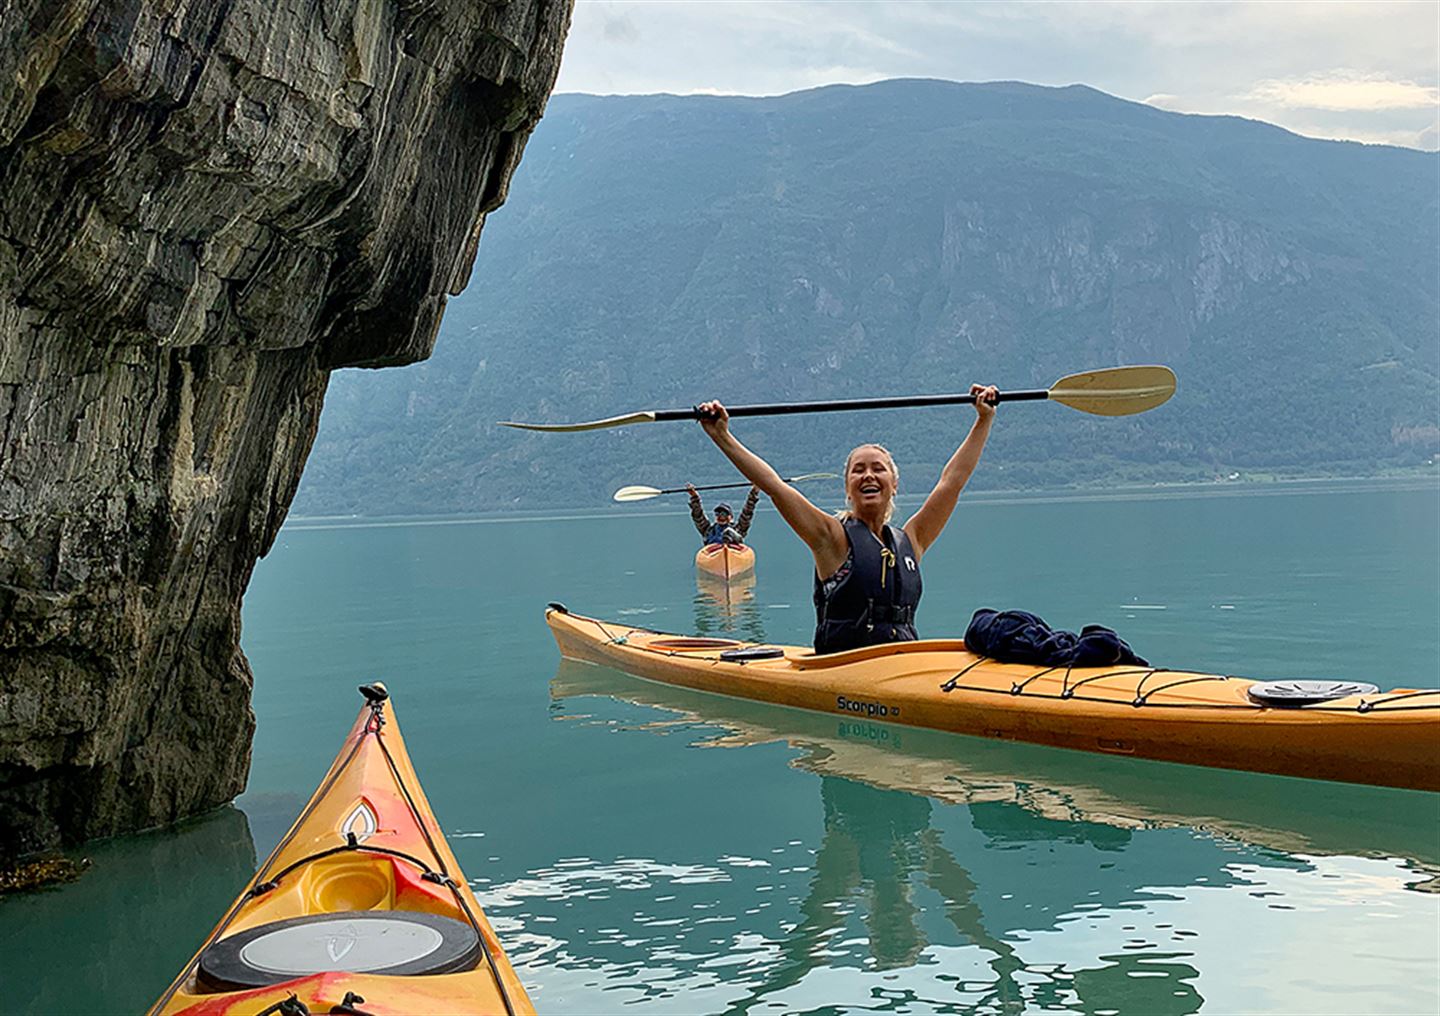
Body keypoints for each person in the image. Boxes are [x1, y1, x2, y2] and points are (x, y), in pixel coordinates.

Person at [695, 384, 998, 653]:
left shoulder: (912, 540)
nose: (868, 475)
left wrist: (983, 420)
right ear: (847, 487)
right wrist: (722, 436)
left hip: (904, 666)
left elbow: (952, 482)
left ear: (894, 484)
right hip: (843, 670)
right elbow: (774, 486)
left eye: (878, 468)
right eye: (859, 469)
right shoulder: (831, 538)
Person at [688, 484, 760, 546]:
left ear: (731, 517)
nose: (721, 516)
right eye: (718, 514)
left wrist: (754, 491)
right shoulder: (708, 530)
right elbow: (698, 516)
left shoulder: (738, 529)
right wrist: (694, 496)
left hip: (733, 551)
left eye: (724, 514)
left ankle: (729, 541)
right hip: (713, 553)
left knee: (729, 532)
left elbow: (747, 512)